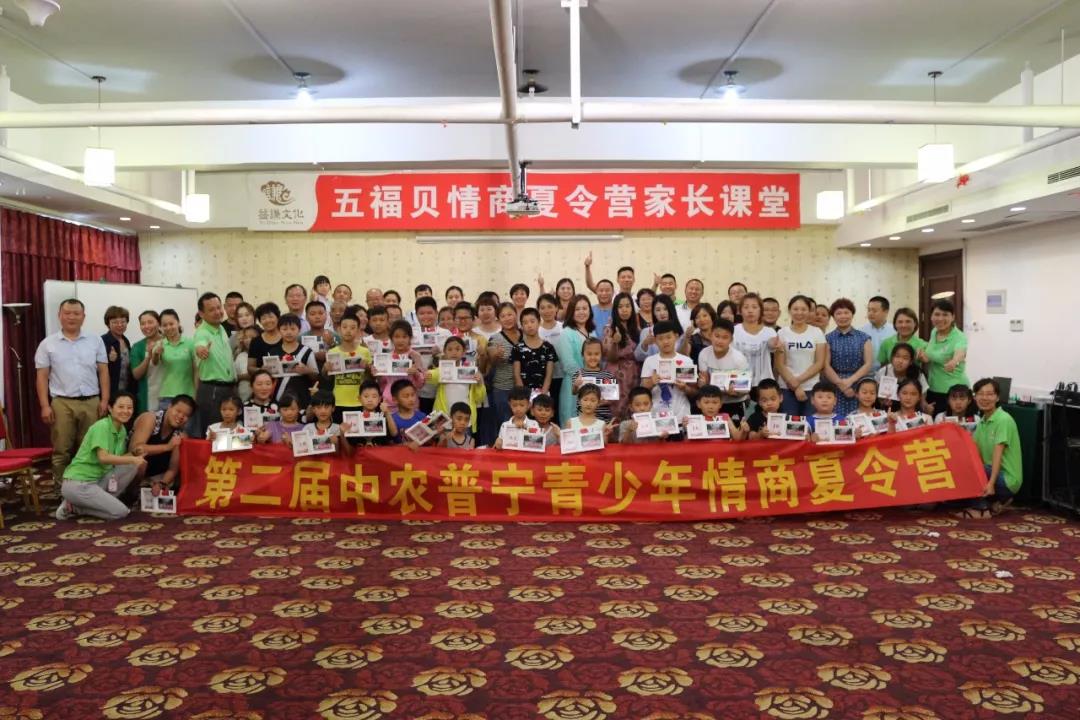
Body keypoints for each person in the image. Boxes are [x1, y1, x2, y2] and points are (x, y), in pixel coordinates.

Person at [35, 298, 110, 484]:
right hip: (62, 403)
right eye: (67, 313)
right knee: (62, 450)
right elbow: (42, 377)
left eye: (76, 313)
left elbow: (103, 372)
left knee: (91, 448)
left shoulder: (95, 340)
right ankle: (61, 488)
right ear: (59, 316)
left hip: (92, 402)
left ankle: (88, 486)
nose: (71, 317)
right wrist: (45, 406)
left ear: (83, 317)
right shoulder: (47, 344)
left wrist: (104, 400)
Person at [54, 392, 144, 521]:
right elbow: (103, 457)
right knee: (121, 512)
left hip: (98, 481)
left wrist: (134, 454)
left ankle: (89, 504)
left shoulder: (122, 430)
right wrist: (132, 458)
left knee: (132, 466)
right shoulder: (102, 426)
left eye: (129, 407)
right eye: (121, 407)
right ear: (110, 408)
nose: (125, 411)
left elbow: (116, 460)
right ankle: (75, 507)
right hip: (78, 484)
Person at [968, 378, 1023, 518]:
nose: (984, 398)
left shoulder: (1003, 419)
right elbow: (975, 453)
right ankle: (997, 502)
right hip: (991, 472)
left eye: (990, 394)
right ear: (975, 397)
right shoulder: (982, 422)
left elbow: (997, 454)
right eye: (980, 394)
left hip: (1007, 479)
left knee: (971, 469)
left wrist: (991, 484)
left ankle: (982, 509)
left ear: (997, 397)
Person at [129, 394, 195, 495]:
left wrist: (161, 484)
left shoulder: (181, 435)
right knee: (141, 463)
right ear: (169, 406)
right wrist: (167, 447)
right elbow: (135, 449)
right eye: (178, 411)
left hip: (156, 477)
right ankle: (129, 495)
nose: (181, 416)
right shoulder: (150, 418)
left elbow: (173, 469)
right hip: (130, 470)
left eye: (186, 415)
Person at [193, 292, 237, 436]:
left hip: (228, 389)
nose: (217, 312)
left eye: (219, 307)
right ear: (201, 313)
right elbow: (199, 345)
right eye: (211, 310)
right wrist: (201, 350)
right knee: (213, 434)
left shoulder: (221, 328)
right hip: (212, 390)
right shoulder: (202, 332)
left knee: (229, 434)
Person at [774, 295, 826, 416]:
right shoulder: (782, 333)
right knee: (789, 425)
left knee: (810, 424)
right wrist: (795, 386)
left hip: (811, 387)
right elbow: (779, 364)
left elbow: (819, 363)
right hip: (786, 387)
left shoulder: (817, 332)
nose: (799, 313)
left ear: (809, 311)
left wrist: (797, 381)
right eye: (795, 309)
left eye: (803, 309)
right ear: (789, 311)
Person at [918, 299, 969, 415]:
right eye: (937, 314)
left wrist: (954, 361)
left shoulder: (959, 337)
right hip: (933, 388)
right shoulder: (934, 332)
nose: (940, 318)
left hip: (954, 393)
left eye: (945, 315)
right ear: (931, 316)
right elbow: (932, 355)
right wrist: (924, 357)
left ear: (953, 317)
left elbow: (960, 352)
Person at [823, 298, 873, 416]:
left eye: (846, 312)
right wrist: (842, 385)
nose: (843, 316)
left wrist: (850, 381)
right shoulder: (827, 338)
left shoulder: (864, 337)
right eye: (838, 313)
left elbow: (868, 364)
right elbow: (825, 365)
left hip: (859, 387)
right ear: (833, 317)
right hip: (835, 385)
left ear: (852, 314)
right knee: (837, 421)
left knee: (859, 420)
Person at [641, 320, 697, 424]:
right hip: (656, 415)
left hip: (681, 415)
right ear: (655, 340)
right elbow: (642, 389)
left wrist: (685, 388)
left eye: (668, 337)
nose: (665, 342)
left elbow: (695, 391)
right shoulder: (649, 361)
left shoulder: (686, 361)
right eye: (660, 338)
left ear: (676, 336)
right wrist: (652, 382)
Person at [428, 336, 486, 434]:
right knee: (444, 443)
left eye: (457, 349)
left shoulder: (471, 371)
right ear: (444, 352)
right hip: (444, 419)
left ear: (464, 352)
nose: (454, 352)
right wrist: (426, 374)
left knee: (464, 442)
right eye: (450, 349)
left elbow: (479, 398)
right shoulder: (441, 370)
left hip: (464, 420)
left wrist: (479, 384)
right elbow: (431, 376)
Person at [696, 319, 750, 423]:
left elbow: (746, 388)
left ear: (731, 339)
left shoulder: (739, 359)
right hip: (712, 404)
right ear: (710, 335)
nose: (720, 341)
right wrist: (701, 384)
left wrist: (736, 392)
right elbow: (704, 383)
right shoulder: (704, 354)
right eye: (717, 336)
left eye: (725, 337)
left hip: (735, 403)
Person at [323, 311, 373, 422]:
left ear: (358, 330)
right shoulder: (332, 352)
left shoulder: (364, 351)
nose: (348, 331)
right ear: (339, 329)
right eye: (344, 327)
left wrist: (367, 368)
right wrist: (325, 369)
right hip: (338, 401)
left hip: (360, 401)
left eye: (352, 327)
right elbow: (327, 378)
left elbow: (371, 378)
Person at [555, 295, 594, 424]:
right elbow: (568, 363)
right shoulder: (566, 333)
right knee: (572, 422)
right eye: (577, 309)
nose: (581, 312)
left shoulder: (592, 332)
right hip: (573, 384)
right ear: (571, 312)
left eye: (585, 308)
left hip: (592, 384)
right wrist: (585, 379)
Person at [152, 309, 197, 421]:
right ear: (160, 327)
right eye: (164, 325)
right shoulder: (160, 344)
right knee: (163, 427)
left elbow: (196, 370)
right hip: (167, 396)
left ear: (178, 323)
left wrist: (196, 393)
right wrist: (156, 353)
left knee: (187, 429)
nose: (168, 327)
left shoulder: (190, 343)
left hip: (188, 395)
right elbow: (155, 362)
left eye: (171, 324)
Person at [602, 293, 641, 419]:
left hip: (634, 374)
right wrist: (615, 343)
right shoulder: (609, 329)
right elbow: (609, 357)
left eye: (627, 306)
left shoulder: (637, 330)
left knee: (633, 410)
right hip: (616, 375)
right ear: (615, 309)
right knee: (615, 412)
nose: (624, 310)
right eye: (620, 307)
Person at [486, 302, 522, 427]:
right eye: (503, 316)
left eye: (510, 315)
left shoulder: (525, 334)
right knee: (506, 424)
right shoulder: (495, 338)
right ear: (498, 319)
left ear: (516, 315)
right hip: (502, 389)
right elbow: (491, 361)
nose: (507, 318)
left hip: (523, 388)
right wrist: (496, 355)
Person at [734, 293, 778, 387]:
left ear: (761, 310)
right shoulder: (733, 331)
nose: (750, 311)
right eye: (746, 307)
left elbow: (772, 345)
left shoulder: (769, 332)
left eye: (754, 307)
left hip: (765, 384)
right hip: (740, 383)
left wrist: (773, 343)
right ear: (740, 311)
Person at [275, 314, 319, 409]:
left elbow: (315, 376)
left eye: (293, 329)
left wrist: (307, 370)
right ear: (279, 331)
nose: (289, 332)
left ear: (299, 330)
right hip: (279, 399)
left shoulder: (307, 351)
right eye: (284, 329)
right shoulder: (273, 352)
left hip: (302, 399)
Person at [513, 308, 557, 397]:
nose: (529, 325)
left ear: (539, 322)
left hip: (543, 395)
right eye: (525, 323)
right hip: (523, 396)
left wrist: (542, 396)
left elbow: (549, 376)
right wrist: (524, 397)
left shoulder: (548, 347)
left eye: (532, 321)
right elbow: (516, 375)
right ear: (521, 326)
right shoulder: (517, 348)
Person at [572, 338, 616, 422]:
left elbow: (612, 398)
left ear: (601, 355)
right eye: (589, 354)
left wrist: (603, 401)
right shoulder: (578, 374)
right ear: (583, 355)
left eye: (596, 354)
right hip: (584, 419)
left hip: (603, 419)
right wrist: (576, 385)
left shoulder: (608, 375)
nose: (593, 357)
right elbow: (574, 392)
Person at [129, 310, 163, 415]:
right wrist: (148, 356)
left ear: (158, 323)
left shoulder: (168, 342)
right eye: (143, 324)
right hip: (147, 397)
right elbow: (136, 375)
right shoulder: (137, 347)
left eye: (150, 322)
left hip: (169, 395)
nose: (146, 326)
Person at [536, 294, 564, 421]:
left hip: (562, 377)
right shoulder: (536, 330)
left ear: (556, 308)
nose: (546, 311)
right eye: (542, 308)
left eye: (550, 307)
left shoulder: (564, 328)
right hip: (542, 380)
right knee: (544, 413)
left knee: (560, 411)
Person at [635, 294, 683, 362]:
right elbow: (638, 358)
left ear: (671, 310)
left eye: (665, 309)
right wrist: (645, 344)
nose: (662, 313)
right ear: (653, 313)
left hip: (676, 367)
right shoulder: (646, 332)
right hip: (653, 367)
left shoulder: (680, 331)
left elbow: (684, 357)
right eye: (658, 310)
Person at [101, 305, 134, 400]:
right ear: (108, 324)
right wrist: (110, 360)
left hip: (126, 391)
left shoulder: (125, 341)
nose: (120, 325)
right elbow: (97, 371)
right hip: (110, 393)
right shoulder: (102, 341)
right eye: (115, 322)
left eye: (123, 322)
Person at [860, 296, 896, 373]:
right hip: (866, 374)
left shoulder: (895, 331)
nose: (870, 313)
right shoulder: (860, 331)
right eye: (869, 310)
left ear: (886, 312)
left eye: (874, 311)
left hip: (889, 373)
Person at [247, 302, 284, 376]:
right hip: (264, 380)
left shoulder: (286, 337)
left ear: (278, 317)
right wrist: (261, 370)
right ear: (260, 321)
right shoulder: (256, 342)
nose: (267, 320)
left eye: (271, 317)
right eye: (263, 318)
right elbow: (250, 368)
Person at [233, 326, 258, 402]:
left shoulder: (263, 354)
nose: (248, 340)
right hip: (243, 397)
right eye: (245, 337)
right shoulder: (240, 356)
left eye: (252, 337)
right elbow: (233, 377)